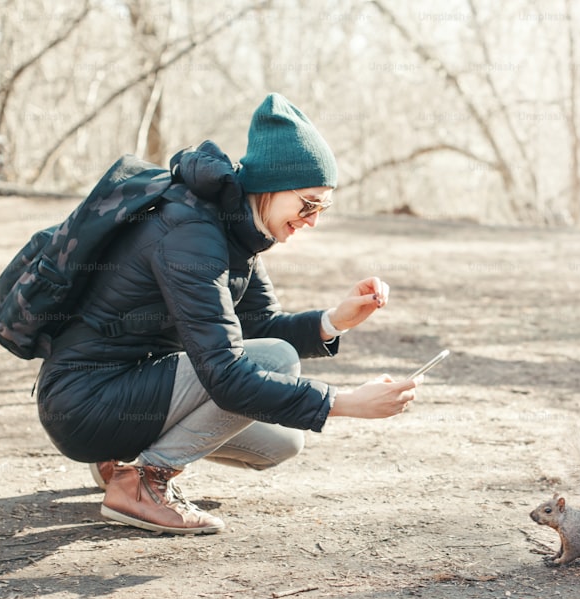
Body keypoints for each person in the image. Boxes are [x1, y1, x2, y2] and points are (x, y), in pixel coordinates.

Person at [36, 93, 420, 535]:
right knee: (274, 365)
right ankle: (143, 482)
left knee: (280, 442)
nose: (312, 220)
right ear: (272, 186)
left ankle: (118, 461)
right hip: (87, 400)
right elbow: (230, 370)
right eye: (309, 203)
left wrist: (333, 320)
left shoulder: (239, 231)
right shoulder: (192, 233)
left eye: (323, 208)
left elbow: (258, 328)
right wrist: (345, 402)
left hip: (129, 392)